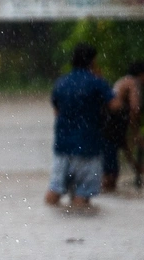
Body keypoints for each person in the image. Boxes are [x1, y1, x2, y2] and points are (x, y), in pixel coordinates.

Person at [45, 44, 114, 209]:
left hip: (63, 147)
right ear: (92, 62)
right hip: (88, 148)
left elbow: (56, 111)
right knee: (82, 197)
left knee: (54, 192)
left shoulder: (61, 83)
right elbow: (115, 105)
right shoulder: (97, 83)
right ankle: (79, 231)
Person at [102, 61, 144, 193]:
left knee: (110, 174)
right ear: (143, 74)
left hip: (105, 129)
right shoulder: (133, 83)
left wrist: (135, 165)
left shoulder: (122, 83)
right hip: (108, 131)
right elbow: (135, 109)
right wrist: (137, 133)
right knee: (110, 176)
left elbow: (123, 142)